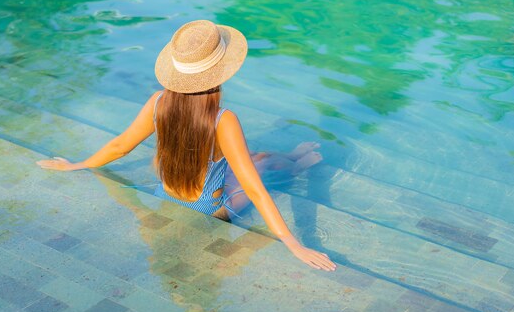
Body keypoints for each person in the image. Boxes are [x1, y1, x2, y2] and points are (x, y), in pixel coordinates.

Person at [37, 20, 336, 271]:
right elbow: (255, 188)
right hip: (213, 209)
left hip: (164, 197)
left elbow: (120, 147)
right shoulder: (223, 120)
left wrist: (75, 165)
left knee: (248, 157)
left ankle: (294, 158)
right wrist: (294, 244)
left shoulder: (158, 103)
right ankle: (295, 164)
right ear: (220, 71)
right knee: (263, 163)